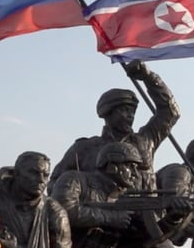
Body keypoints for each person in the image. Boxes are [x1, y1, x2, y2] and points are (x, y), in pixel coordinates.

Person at [49, 60, 179, 194]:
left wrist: (149, 77)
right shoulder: (84, 149)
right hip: (99, 212)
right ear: (108, 112)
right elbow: (54, 184)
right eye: (125, 110)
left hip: (146, 212)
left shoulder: (145, 141)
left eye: (133, 111)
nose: (130, 116)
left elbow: (170, 112)